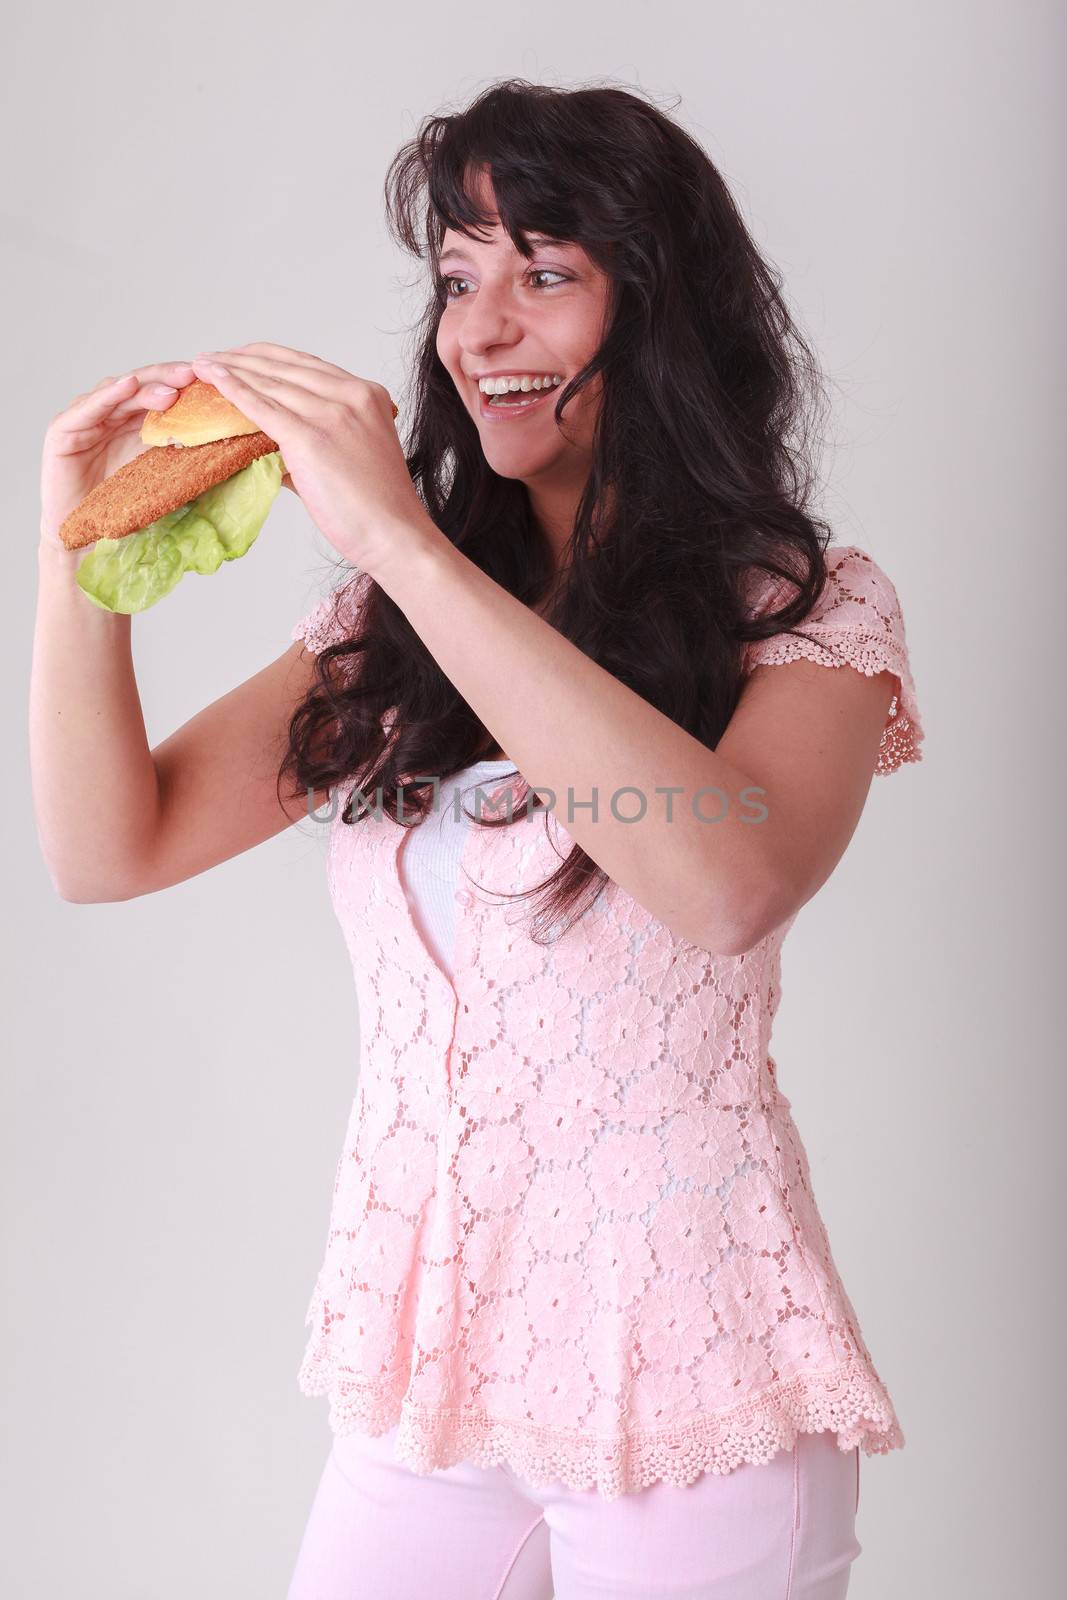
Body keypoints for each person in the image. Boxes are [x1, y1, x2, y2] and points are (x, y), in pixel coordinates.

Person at [31, 79, 924, 1600]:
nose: (480, 329)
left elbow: (724, 883)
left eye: (546, 272)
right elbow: (113, 846)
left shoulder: (807, 610)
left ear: (661, 312)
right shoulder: (392, 633)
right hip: (433, 1377)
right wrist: (76, 552)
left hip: (689, 1381)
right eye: (457, 278)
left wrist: (398, 536)